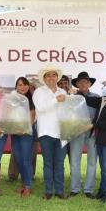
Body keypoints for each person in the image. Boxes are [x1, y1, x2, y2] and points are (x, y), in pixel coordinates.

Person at [33, 66, 68, 199]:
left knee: (59, 163)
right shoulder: (39, 92)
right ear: (44, 78)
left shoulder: (63, 91)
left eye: (54, 75)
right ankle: (48, 191)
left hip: (61, 132)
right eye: (48, 75)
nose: (51, 77)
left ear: (57, 77)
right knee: (48, 162)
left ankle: (59, 191)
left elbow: (67, 110)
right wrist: (55, 100)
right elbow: (41, 108)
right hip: (46, 132)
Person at [69, 72, 99, 198]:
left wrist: (93, 123)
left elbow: (99, 115)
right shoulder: (72, 98)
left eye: (86, 82)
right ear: (76, 84)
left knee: (92, 161)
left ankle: (88, 189)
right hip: (77, 131)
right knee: (75, 160)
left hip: (92, 131)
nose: (83, 84)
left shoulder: (97, 97)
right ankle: (75, 188)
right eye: (80, 82)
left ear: (90, 83)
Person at [9, 77, 36, 197]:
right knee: (19, 159)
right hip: (15, 132)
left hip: (27, 133)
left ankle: (28, 186)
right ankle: (24, 184)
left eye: (25, 84)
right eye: (20, 85)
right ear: (16, 87)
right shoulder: (13, 100)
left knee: (26, 160)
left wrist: (24, 130)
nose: (23, 87)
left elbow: (32, 118)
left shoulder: (31, 99)